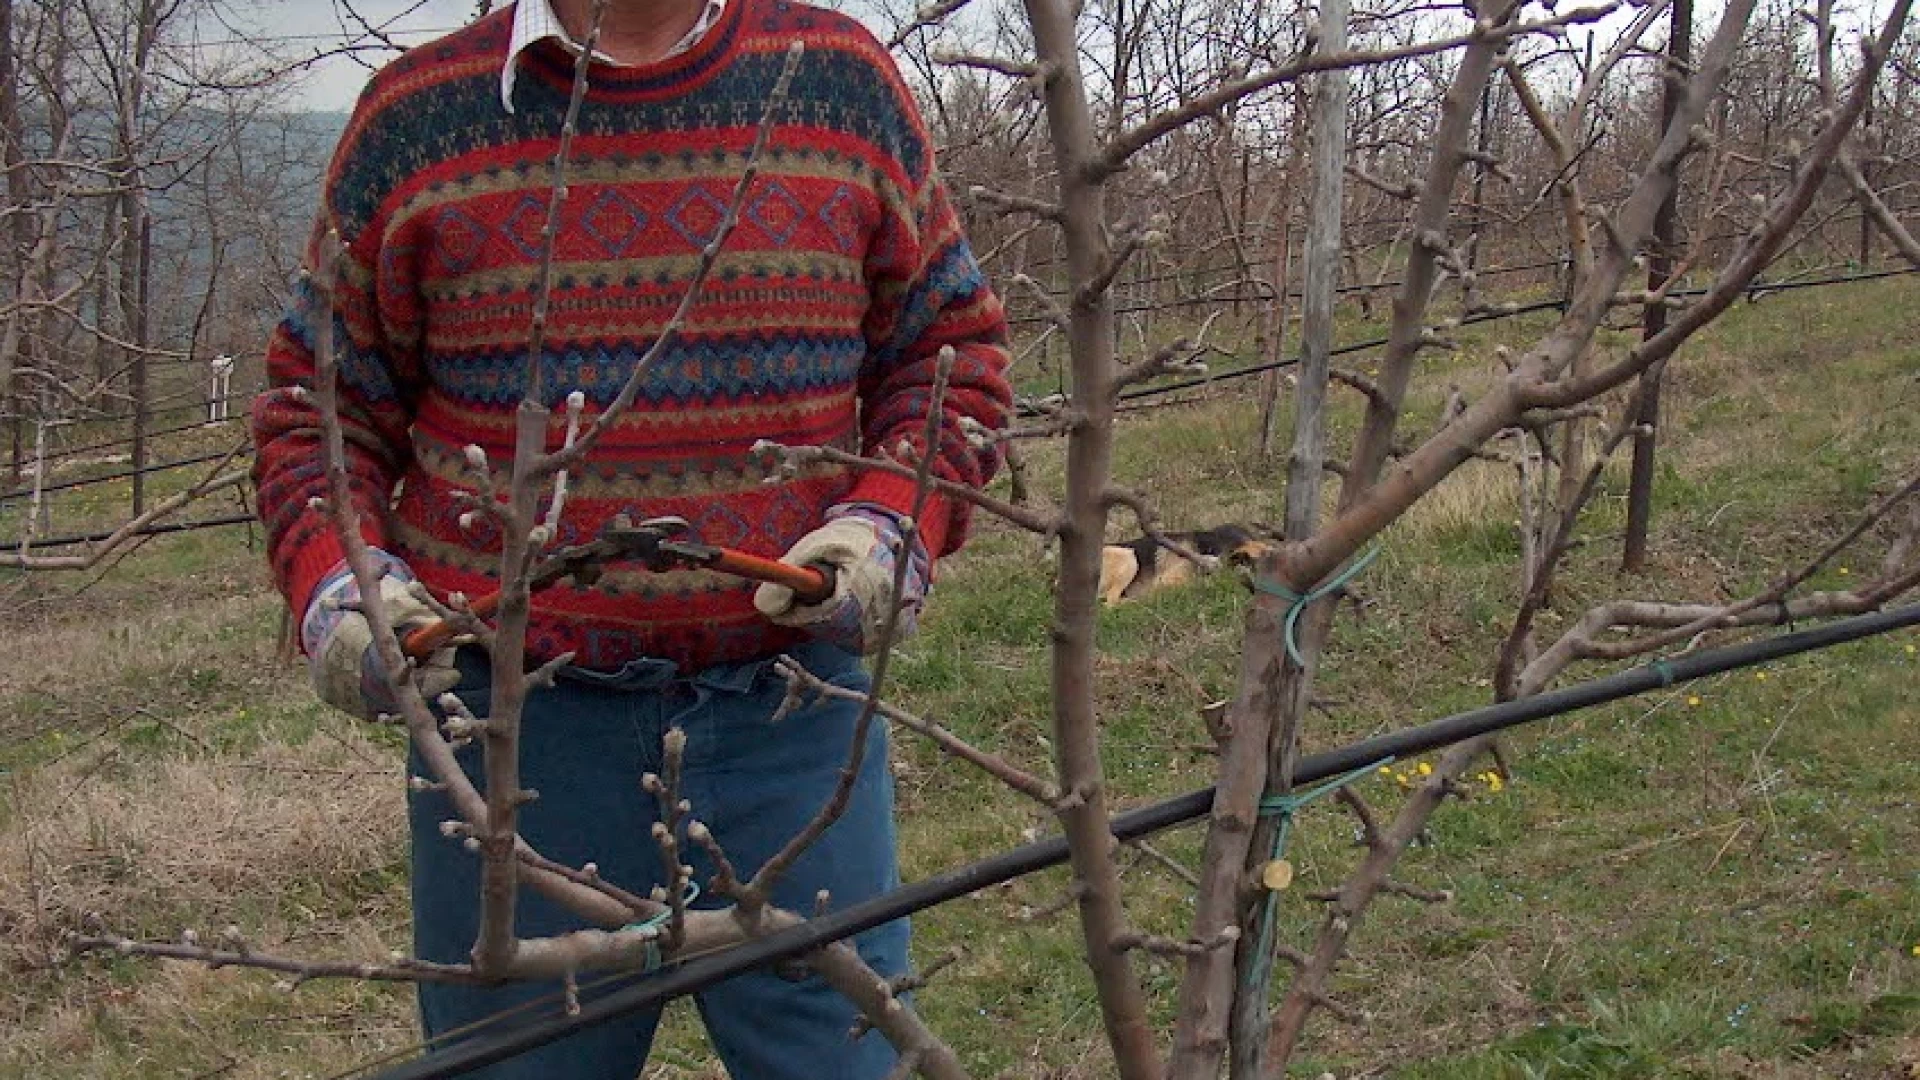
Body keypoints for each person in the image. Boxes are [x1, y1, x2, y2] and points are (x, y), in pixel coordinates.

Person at [248, 0, 1011, 1075]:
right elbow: (313, 415)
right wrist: (344, 595)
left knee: (841, 1061)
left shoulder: (837, 79)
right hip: (515, 738)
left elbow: (952, 358)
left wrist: (891, 527)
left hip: (794, 717)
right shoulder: (418, 117)